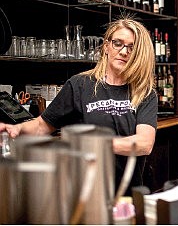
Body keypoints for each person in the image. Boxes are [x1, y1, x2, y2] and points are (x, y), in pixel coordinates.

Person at [0, 16, 158, 192]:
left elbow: (144, 144)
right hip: (82, 189)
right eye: (117, 43)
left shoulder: (144, 92)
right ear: (106, 46)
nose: (123, 51)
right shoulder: (79, 84)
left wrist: (94, 144)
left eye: (131, 47)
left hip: (125, 192)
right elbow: (41, 125)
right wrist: (16, 129)